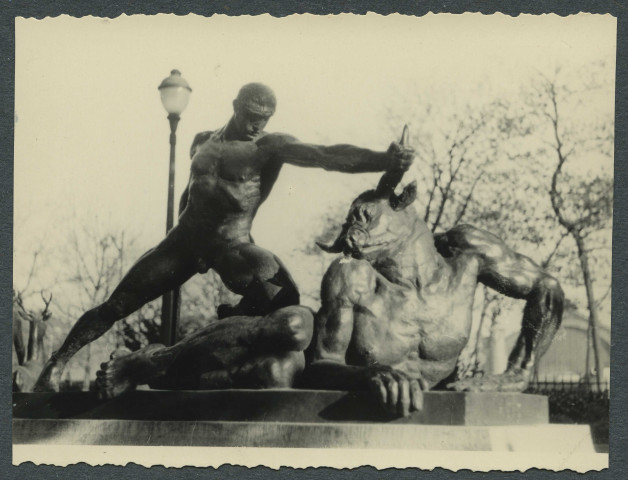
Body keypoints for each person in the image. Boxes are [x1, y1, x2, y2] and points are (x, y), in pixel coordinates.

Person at [34, 82, 415, 392]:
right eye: (251, 117)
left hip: (232, 245)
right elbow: (189, 193)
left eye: (263, 119)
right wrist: (174, 237)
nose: (256, 125)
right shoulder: (201, 140)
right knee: (117, 304)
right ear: (235, 105)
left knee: (286, 301)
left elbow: (325, 155)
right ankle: (56, 363)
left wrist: (382, 160)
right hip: (183, 242)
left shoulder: (270, 146)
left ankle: (233, 346)